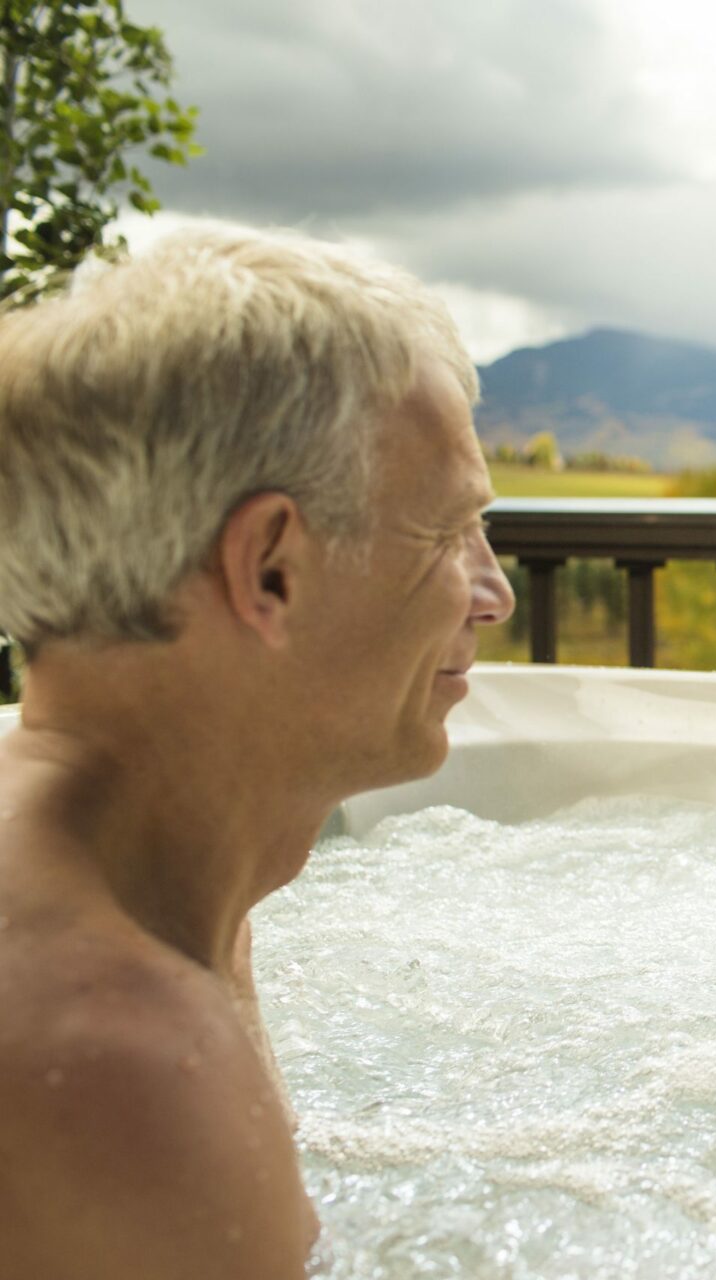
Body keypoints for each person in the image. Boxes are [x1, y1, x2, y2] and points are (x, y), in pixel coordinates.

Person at [0, 226, 515, 1278]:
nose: (494, 593)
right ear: (271, 569)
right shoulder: (114, 1060)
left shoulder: (161, 890)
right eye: (449, 534)